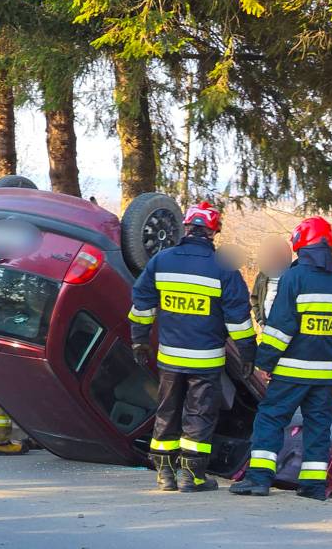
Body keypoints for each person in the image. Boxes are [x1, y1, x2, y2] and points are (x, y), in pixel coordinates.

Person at [129, 202, 257, 492]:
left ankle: (164, 475)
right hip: (206, 359)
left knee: (167, 411)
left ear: (186, 227)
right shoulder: (224, 269)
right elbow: (238, 319)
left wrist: (138, 339)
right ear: (214, 232)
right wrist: (248, 352)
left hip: (169, 357)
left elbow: (142, 304)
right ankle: (192, 476)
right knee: (199, 415)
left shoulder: (161, 261)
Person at [230, 217, 332, 500]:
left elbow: (280, 329)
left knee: (270, 419)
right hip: (324, 376)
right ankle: (313, 486)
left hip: (291, 372)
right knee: (318, 426)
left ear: (301, 242)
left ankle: (259, 478)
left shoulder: (294, 278)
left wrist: (264, 362)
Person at [250, 237, 293, 326]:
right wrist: (260, 320)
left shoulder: (292, 274)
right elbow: (254, 299)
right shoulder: (262, 275)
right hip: (265, 325)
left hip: (285, 328)